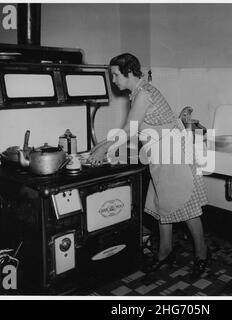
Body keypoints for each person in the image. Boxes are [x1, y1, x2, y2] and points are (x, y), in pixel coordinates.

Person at [88, 53, 210, 278]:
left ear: (129, 72)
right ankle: (165, 252)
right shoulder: (139, 92)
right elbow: (129, 129)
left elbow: (129, 130)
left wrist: (105, 147)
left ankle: (202, 254)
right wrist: (103, 145)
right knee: (164, 204)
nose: (113, 80)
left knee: (187, 206)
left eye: (115, 75)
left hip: (173, 155)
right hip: (161, 154)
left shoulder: (144, 93)